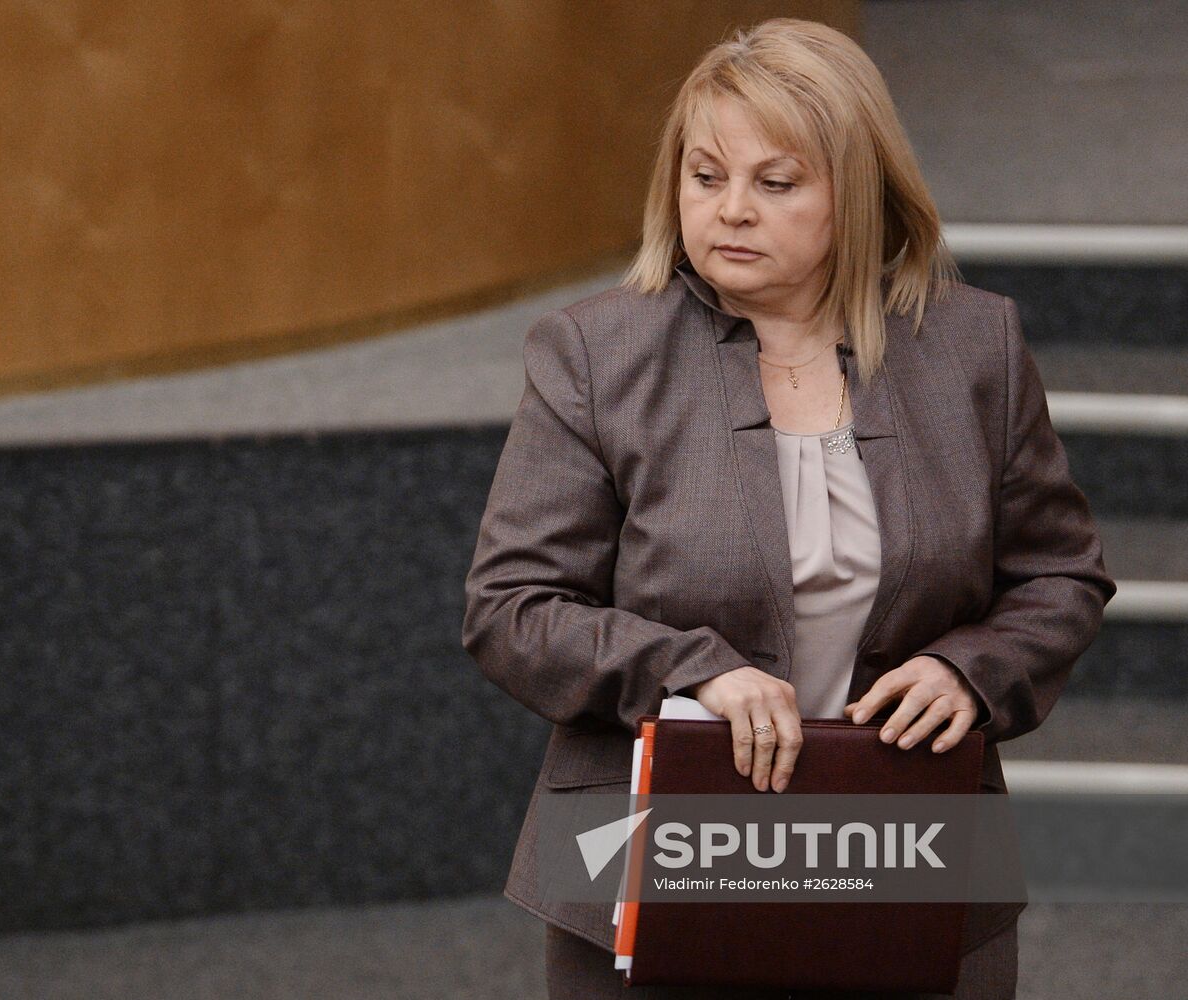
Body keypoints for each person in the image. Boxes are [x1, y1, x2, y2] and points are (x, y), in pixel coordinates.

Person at [462, 17, 1115, 1000]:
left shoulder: (973, 348)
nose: (729, 210)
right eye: (703, 175)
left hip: (904, 843)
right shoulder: (591, 354)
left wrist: (968, 670)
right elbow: (511, 607)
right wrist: (692, 670)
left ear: (855, 194)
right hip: (651, 853)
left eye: (774, 183)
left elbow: (1058, 578)